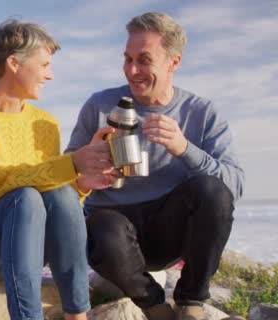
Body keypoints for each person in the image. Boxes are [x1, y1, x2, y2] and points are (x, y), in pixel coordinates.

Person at [65, 12, 245, 320]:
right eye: (128, 59)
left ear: (173, 62)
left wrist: (184, 149)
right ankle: (155, 306)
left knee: (212, 190)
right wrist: (87, 165)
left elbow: (233, 186)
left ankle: (190, 302)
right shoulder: (99, 106)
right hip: (111, 232)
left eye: (144, 60)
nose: (132, 71)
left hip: (169, 230)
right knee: (103, 226)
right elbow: (65, 176)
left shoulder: (201, 112)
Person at [0, 19, 114, 320]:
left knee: (58, 195)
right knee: (25, 198)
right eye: (44, 64)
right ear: (14, 63)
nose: (50, 74)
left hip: (27, 246)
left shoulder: (45, 124)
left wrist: (82, 181)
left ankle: (78, 315)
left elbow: (54, 196)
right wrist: (70, 163)